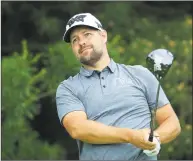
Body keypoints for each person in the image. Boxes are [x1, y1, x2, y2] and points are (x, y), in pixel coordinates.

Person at [56, 13, 181, 160]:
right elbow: (78, 129)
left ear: (103, 36)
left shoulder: (140, 74)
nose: (81, 42)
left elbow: (171, 122)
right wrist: (130, 136)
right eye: (75, 40)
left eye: (87, 34)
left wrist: (155, 139)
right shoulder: (68, 88)